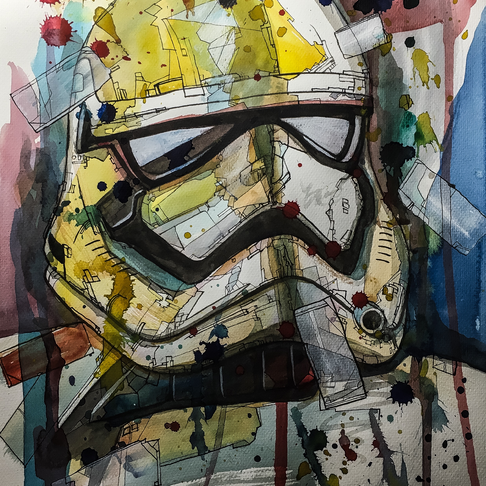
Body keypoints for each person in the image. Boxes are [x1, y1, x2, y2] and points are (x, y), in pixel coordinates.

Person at [9, 0, 411, 483]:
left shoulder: (422, 406)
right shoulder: (31, 403)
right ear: (88, 165)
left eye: (318, 125)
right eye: (184, 144)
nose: (273, 184)